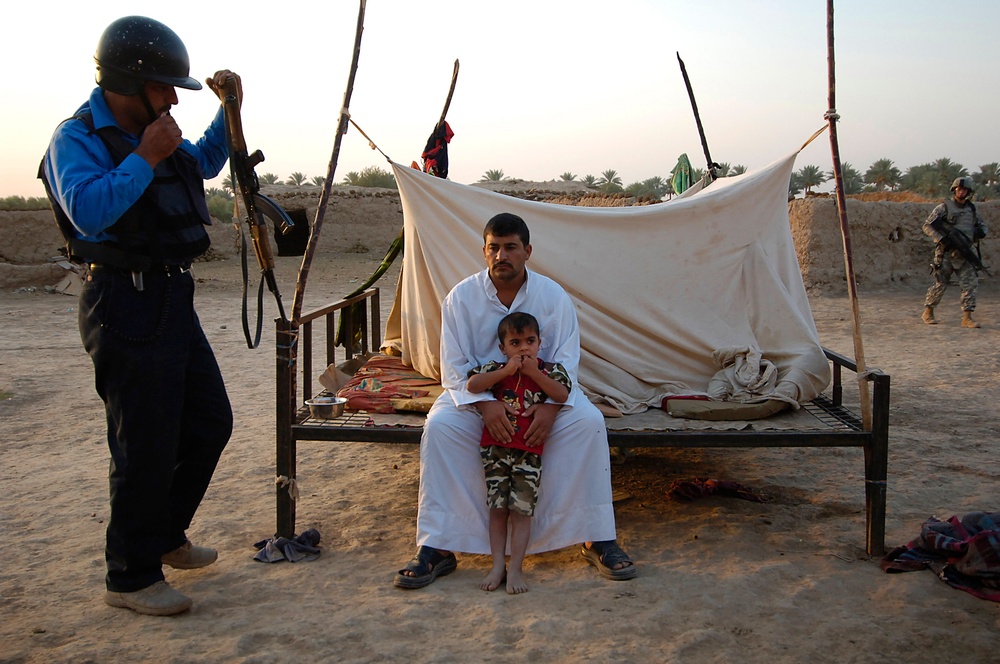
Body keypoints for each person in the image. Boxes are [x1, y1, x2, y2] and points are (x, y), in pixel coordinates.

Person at [40, 16, 237, 616]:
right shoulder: (76, 138)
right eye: (164, 86)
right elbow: (90, 212)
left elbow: (202, 162)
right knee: (143, 444)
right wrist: (145, 157)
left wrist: (229, 111)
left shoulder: (154, 131)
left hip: (174, 295)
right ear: (130, 79)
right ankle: (129, 577)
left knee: (209, 422)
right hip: (122, 299)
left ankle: (163, 534)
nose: (174, 98)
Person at [393, 212, 636, 589]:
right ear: (484, 251)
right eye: (494, 248)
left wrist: (552, 407)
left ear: (527, 251)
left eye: (510, 247)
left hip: (544, 396)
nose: (501, 255)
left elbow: (567, 361)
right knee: (440, 427)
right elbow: (455, 370)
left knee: (588, 424)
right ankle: (437, 547)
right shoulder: (461, 297)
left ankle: (596, 537)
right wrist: (488, 405)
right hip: (479, 398)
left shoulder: (553, 295)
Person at [466, 312, 571, 593]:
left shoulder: (550, 370)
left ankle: (516, 568)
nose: (523, 348)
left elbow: (562, 395)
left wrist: (533, 372)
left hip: (528, 453)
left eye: (530, 341)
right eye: (515, 343)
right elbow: (472, 385)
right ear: (503, 349)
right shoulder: (495, 369)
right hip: (495, 450)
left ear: (540, 343)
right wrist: (505, 372)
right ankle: (497, 564)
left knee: (522, 512)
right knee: (497, 509)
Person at [921, 177, 989, 328]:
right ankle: (928, 311)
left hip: (964, 253)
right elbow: (927, 226)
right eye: (958, 189)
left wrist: (980, 232)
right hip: (946, 253)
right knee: (940, 284)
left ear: (968, 192)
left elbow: (983, 227)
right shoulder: (943, 207)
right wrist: (941, 238)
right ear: (954, 190)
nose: (961, 192)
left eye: (964, 190)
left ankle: (967, 317)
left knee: (970, 284)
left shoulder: (972, 210)